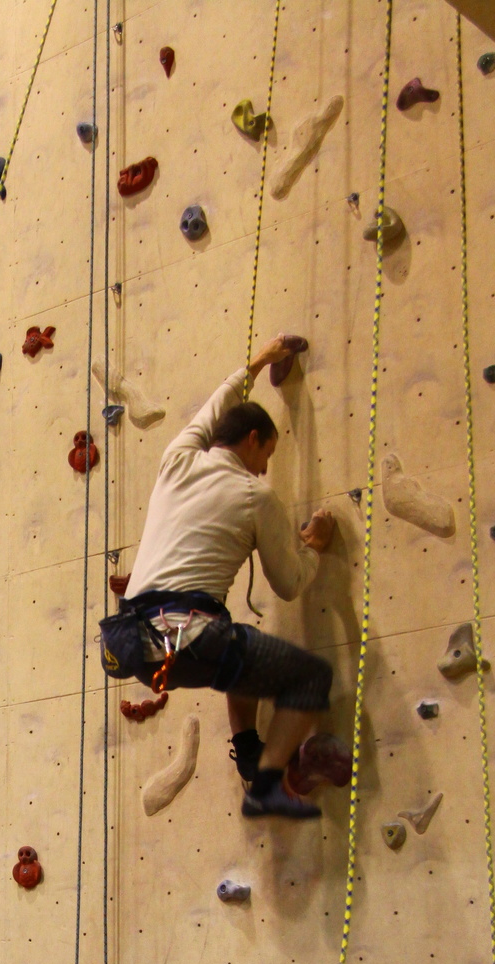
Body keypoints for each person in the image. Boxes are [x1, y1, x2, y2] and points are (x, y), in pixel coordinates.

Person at [113, 334, 347, 818]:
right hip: (180, 636)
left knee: (240, 649)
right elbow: (289, 584)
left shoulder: (177, 458)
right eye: (268, 455)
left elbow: (212, 410)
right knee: (309, 678)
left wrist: (258, 363)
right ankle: (265, 784)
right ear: (253, 440)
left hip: (127, 644)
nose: (265, 470)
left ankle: (249, 754)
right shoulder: (253, 496)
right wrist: (313, 546)